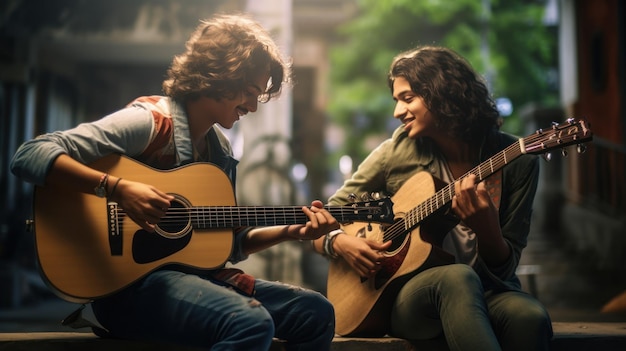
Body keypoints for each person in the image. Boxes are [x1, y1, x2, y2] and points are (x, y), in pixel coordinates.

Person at [11, 14, 337, 351]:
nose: (253, 106)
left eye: (259, 96)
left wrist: (291, 231)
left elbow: (226, 243)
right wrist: (118, 189)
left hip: (192, 283)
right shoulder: (149, 123)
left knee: (316, 313)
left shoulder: (219, 152)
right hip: (125, 289)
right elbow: (29, 154)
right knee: (250, 322)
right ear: (221, 74)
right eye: (249, 92)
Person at [314, 46, 553, 350]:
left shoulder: (517, 162)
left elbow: (505, 270)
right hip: (410, 297)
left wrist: (487, 230)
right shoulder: (397, 151)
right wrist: (338, 241)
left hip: (489, 290)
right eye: (396, 100)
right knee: (456, 278)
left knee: (530, 316)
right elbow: (326, 215)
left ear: (444, 95)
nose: (397, 112)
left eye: (408, 98)